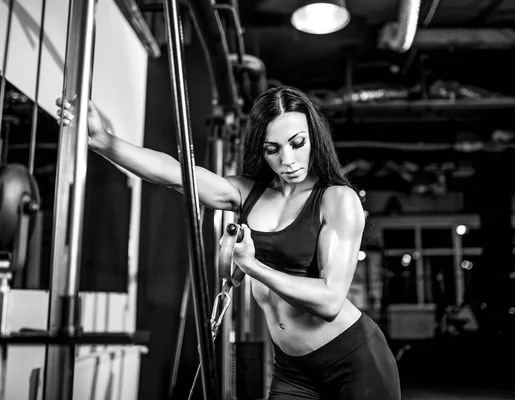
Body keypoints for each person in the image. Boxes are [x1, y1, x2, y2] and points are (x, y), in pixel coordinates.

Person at [57, 85, 401, 399]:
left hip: (353, 360)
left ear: (315, 138)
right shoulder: (247, 194)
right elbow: (176, 173)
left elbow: (329, 302)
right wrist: (103, 141)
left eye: (297, 144)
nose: (288, 160)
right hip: (294, 370)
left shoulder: (336, 199)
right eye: (273, 149)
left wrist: (252, 264)